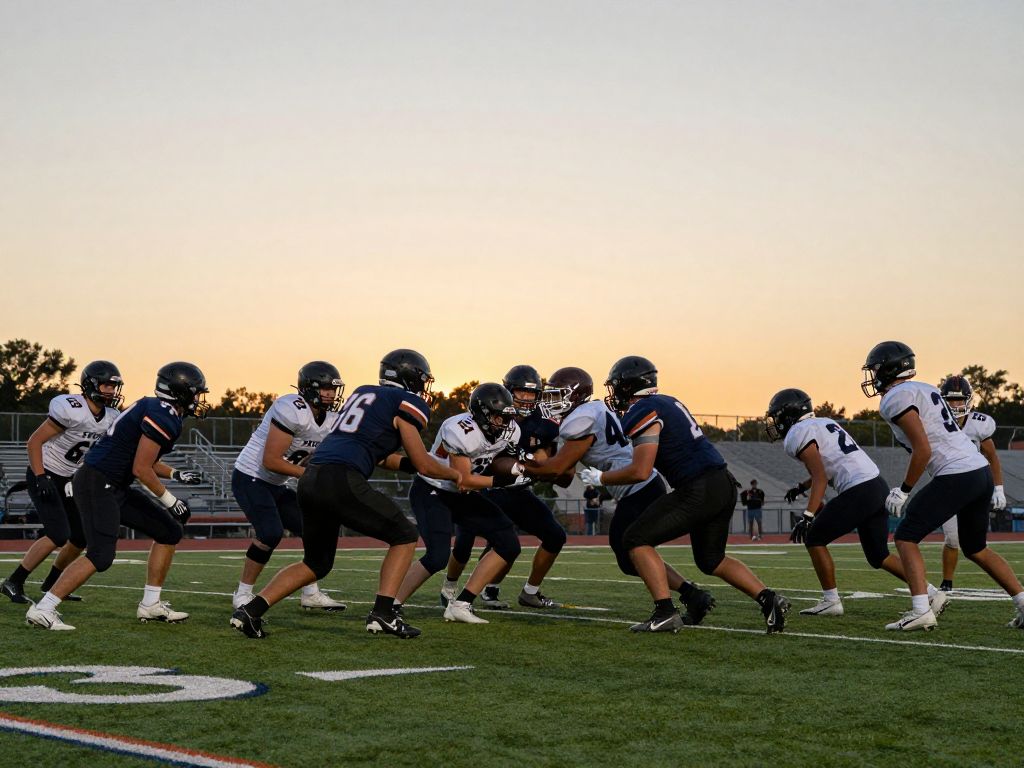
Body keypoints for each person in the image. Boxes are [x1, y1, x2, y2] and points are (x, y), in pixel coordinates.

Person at [230, 349, 461, 640]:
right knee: (404, 535)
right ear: (411, 379)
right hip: (340, 479)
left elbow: (381, 456)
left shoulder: (364, 394)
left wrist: (410, 466)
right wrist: (456, 474)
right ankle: (384, 613)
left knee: (316, 563)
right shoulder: (407, 402)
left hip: (312, 479)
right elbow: (425, 463)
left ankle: (250, 610)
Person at [578, 356, 789, 634]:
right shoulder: (667, 401)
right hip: (723, 484)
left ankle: (664, 611)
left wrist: (601, 477)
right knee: (711, 559)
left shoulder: (643, 409)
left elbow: (641, 470)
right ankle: (768, 599)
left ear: (628, 387)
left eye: (616, 387)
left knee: (635, 539)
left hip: (698, 487)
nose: (613, 394)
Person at [527, 365, 717, 629]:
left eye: (558, 395)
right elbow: (566, 474)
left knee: (631, 550)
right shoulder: (593, 412)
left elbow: (558, 468)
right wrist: (544, 461)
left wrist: (520, 464)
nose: (551, 401)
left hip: (639, 488)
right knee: (631, 555)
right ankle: (690, 594)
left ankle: (675, 604)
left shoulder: (580, 419)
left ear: (575, 395)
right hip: (642, 487)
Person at [26, 362, 209, 631]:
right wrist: (171, 501)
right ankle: (44, 608)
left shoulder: (156, 408)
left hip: (114, 485)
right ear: (180, 391)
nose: (198, 399)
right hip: (98, 482)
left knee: (168, 532)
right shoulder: (163, 414)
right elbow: (141, 468)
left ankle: (150, 604)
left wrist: (176, 476)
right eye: (195, 393)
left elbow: (142, 460)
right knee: (101, 554)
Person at [863, 341, 1024, 631]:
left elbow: (922, 449)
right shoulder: (926, 388)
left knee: (905, 537)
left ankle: (921, 609)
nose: (873, 375)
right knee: (976, 548)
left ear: (888, 368)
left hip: (956, 473)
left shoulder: (895, 398)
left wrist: (904, 489)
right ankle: (1023, 602)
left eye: (875, 369)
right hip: (979, 472)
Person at [767, 388, 946, 617]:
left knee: (814, 538)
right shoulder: (823, 423)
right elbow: (829, 466)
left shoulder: (797, 434)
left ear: (787, 414)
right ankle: (931, 592)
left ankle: (831, 600)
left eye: (777, 416)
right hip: (876, 486)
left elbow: (821, 476)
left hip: (858, 490)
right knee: (878, 555)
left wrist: (808, 516)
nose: (775, 422)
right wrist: (802, 487)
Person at [394, 382, 527, 624]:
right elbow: (463, 481)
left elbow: (504, 461)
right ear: (481, 413)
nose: (504, 423)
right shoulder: (459, 428)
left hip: (464, 495)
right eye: (498, 416)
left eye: (506, 416)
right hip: (434, 490)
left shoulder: (511, 430)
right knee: (437, 556)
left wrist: (519, 468)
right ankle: (391, 603)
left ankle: (462, 603)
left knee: (508, 543)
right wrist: (502, 480)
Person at [442, 365, 567, 610]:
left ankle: (523, 592)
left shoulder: (543, 421)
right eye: (522, 392)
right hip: (484, 486)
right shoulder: (490, 414)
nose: (528, 399)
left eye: (533, 394)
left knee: (553, 536)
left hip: (516, 488)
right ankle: (449, 586)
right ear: (508, 392)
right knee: (464, 543)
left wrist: (537, 463)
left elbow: (544, 455)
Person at [1, 361, 123, 605]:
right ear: (90, 384)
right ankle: (14, 581)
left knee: (80, 536)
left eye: (114, 386)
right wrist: (39, 476)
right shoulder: (71, 408)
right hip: (44, 472)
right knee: (58, 534)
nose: (110, 390)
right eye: (106, 384)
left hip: (71, 479)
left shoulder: (112, 417)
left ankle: (52, 584)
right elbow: (34, 442)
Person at [229, 361, 347, 611]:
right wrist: (309, 475)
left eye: (333, 389)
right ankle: (243, 593)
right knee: (270, 533)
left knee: (313, 528)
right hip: (251, 477)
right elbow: (270, 461)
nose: (330, 394)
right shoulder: (291, 408)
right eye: (325, 388)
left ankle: (310, 592)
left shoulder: (331, 419)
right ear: (309, 388)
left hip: (277, 483)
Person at [936, 375, 1007, 591]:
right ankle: (947, 581)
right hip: (948, 485)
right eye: (950, 400)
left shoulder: (979, 424)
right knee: (952, 538)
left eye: (959, 400)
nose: (955, 405)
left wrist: (999, 488)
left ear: (968, 400)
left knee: (975, 545)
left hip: (975, 485)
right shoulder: (936, 422)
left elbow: (992, 457)